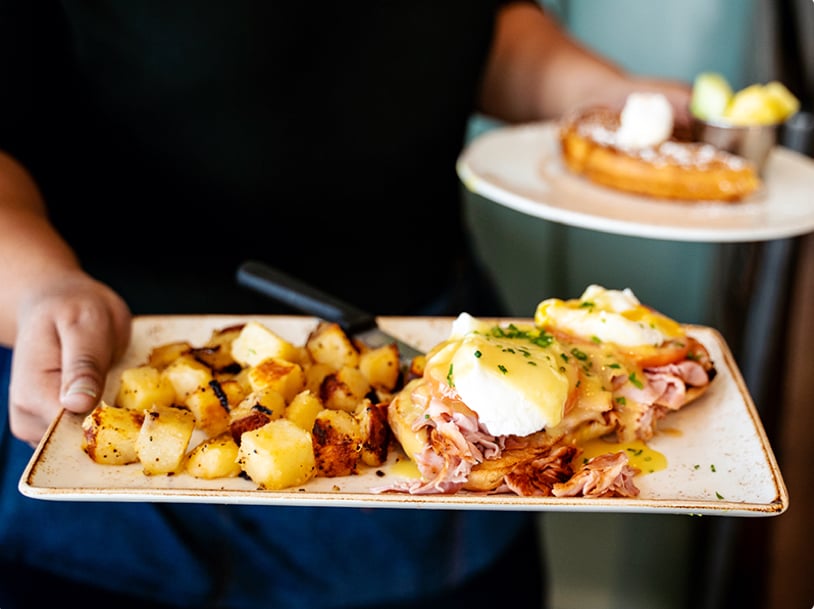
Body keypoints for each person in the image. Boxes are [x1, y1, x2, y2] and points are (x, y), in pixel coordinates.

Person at [0, 2, 691, 608]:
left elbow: (485, 31)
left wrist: (615, 102)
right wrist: (39, 286)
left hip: (441, 366)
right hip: (103, 361)